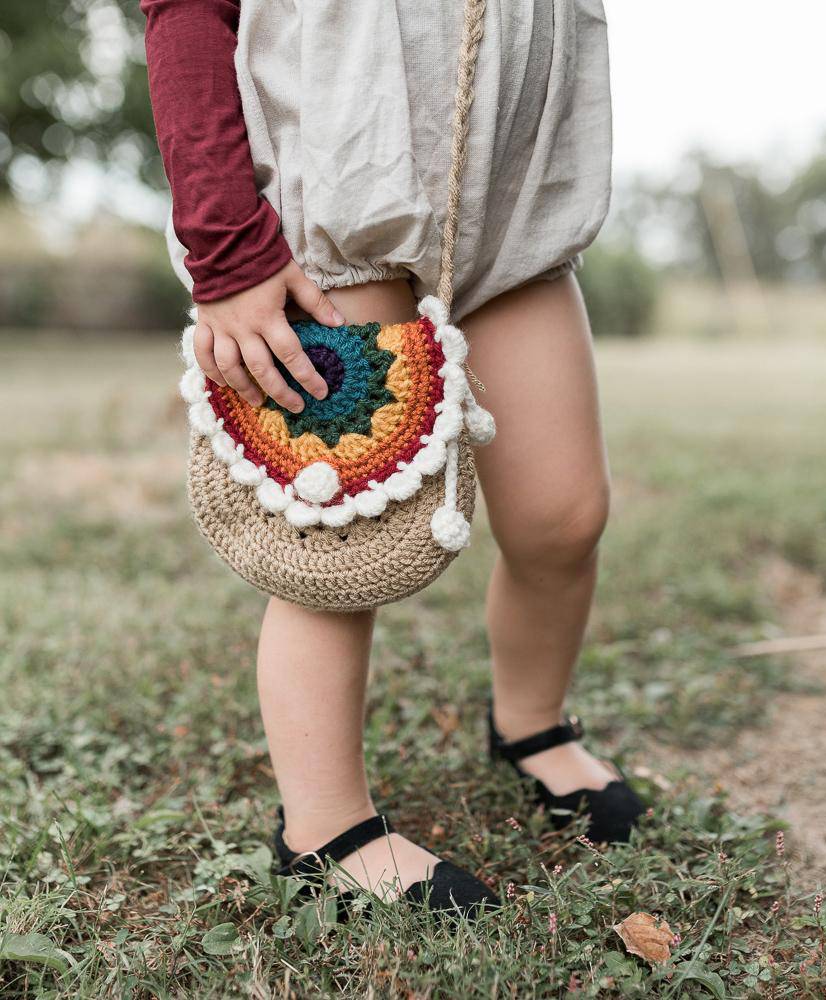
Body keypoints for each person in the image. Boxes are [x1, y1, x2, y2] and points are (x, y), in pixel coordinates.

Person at [142, 0, 644, 918]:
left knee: (564, 516)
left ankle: (529, 721)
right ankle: (322, 829)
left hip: (512, 200)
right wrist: (226, 247)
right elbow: (184, 14)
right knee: (339, 535)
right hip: (344, 180)